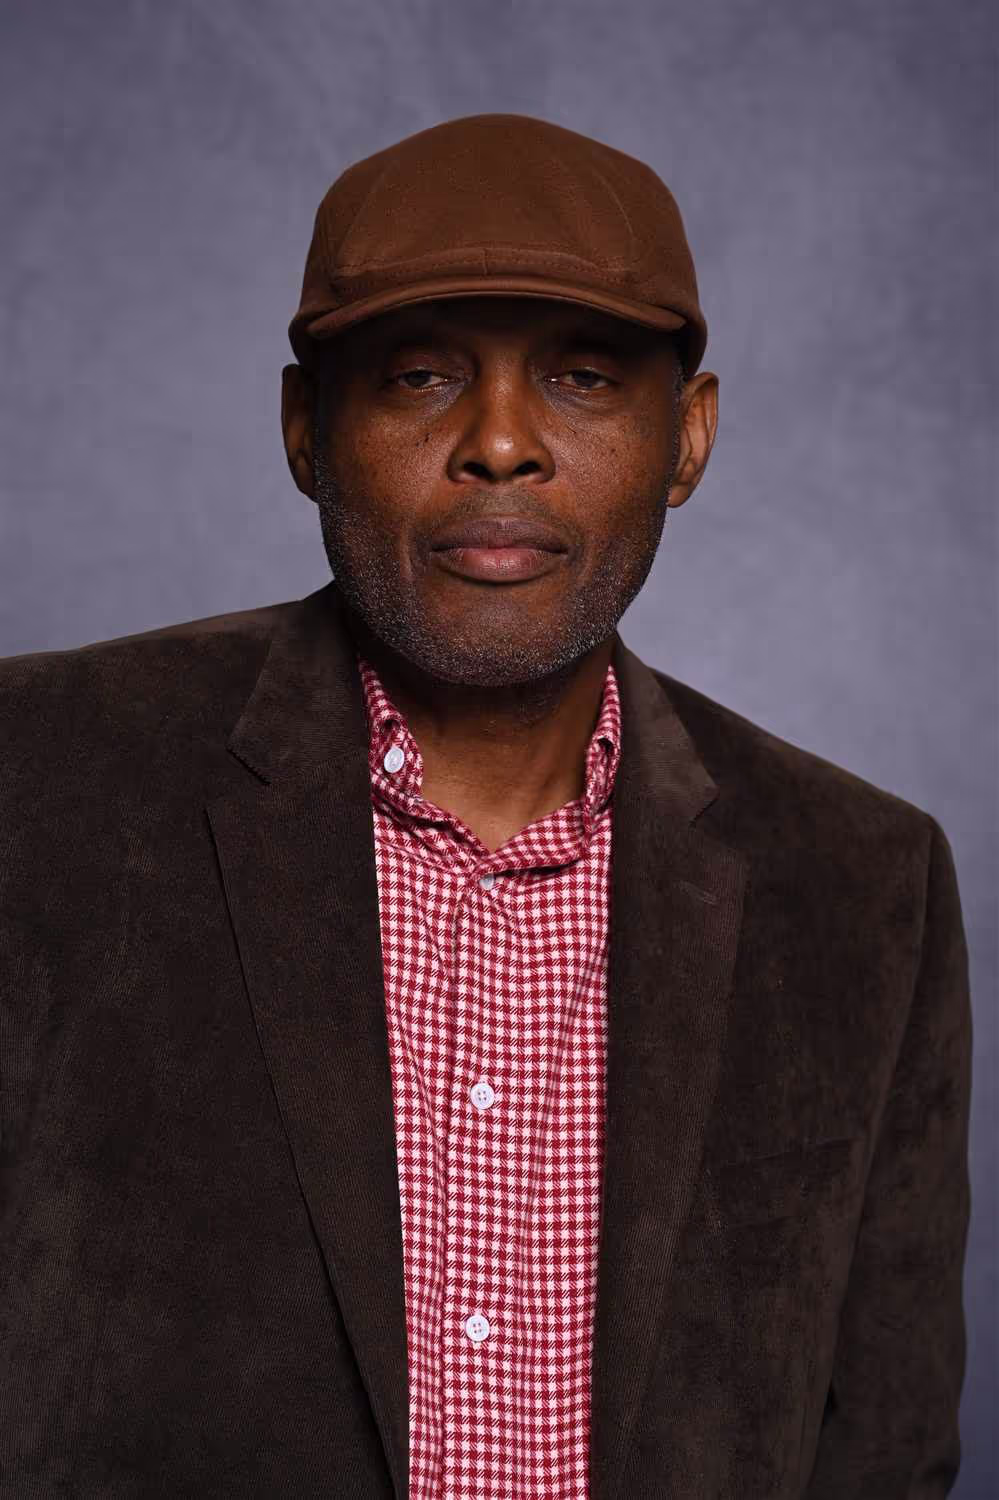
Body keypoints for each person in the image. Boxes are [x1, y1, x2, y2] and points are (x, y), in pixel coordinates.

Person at [0, 113, 972, 1500]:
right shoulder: (37, 780)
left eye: (581, 377)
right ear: (302, 430)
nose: (500, 444)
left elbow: (879, 1452)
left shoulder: (867, 888)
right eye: (416, 375)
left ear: (687, 438)